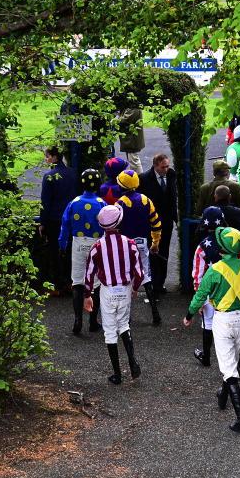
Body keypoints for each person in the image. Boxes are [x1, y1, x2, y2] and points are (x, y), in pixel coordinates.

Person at [183, 227, 240, 434]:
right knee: (231, 360)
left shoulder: (215, 270)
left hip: (222, 320)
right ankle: (222, 395)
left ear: (222, 248)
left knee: (229, 370)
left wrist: (189, 315)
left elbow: (200, 295)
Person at [83, 205, 143, 385]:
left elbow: (88, 274)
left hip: (107, 290)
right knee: (124, 324)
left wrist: (87, 295)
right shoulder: (130, 244)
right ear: (119, 222)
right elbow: (139, 273)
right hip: (124, 288)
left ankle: (117, 374)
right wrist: (135, 288)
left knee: (110, 331)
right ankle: (133, 363)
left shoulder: (96, 247)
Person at [191, 207, 240, 367]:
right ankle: (235, 363)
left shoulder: (202, 247)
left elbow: (198, 277)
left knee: (208, 324)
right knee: (232, 327)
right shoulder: (234, 242)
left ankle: (206, 357)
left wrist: (200, 300)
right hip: (233, 291)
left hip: (211, 294)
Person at [58, 168, 106, 335]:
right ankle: (93, 320)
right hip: (96, 244)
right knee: (96, 283)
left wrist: (62, 244)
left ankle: (78, 319)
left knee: (78, 282)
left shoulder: (74, 202)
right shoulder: (101, 203)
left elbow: (65, 225)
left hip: (78, 243)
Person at [116, 169, 163, 325]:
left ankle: (126, 317)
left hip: (125, 245)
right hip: (142, 243)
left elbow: (115, 226)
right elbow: (156, 224)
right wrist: (155, 243)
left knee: (126, 280)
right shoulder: (145, 200)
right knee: (146, 277)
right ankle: (155, 314)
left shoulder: (120, 203)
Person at [39, 146, 77, 296]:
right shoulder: (73, 173)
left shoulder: (49, 176)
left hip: (55, 219)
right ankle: (69, 282)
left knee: (54, 252)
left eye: (47, 156)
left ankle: (57, 285)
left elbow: (45, 202)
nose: (46, 159)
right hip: (71, 218)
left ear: (54, 157)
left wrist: (43, 222)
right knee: (69, 252)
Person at [137, 154, 177, 295]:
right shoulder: (143, 179)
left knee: (164, 251)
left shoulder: (172, 175)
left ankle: (160, 283)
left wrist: (175, 219)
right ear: (155, 165)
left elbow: (173, 198)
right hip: (151, 223)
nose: (166, 169)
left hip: (166, 222)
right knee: (153, 253)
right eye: (163, 167)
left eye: (167, 166)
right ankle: (153, 283)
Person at [118, 107, 145, 173]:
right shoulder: (132, 107)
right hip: (131, 139)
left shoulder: (134, 109)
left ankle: (140, 180)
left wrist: (117, 118)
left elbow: (123, 120)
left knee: (134, 161)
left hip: (132, 140)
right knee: (132, 160)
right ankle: (135, 178)